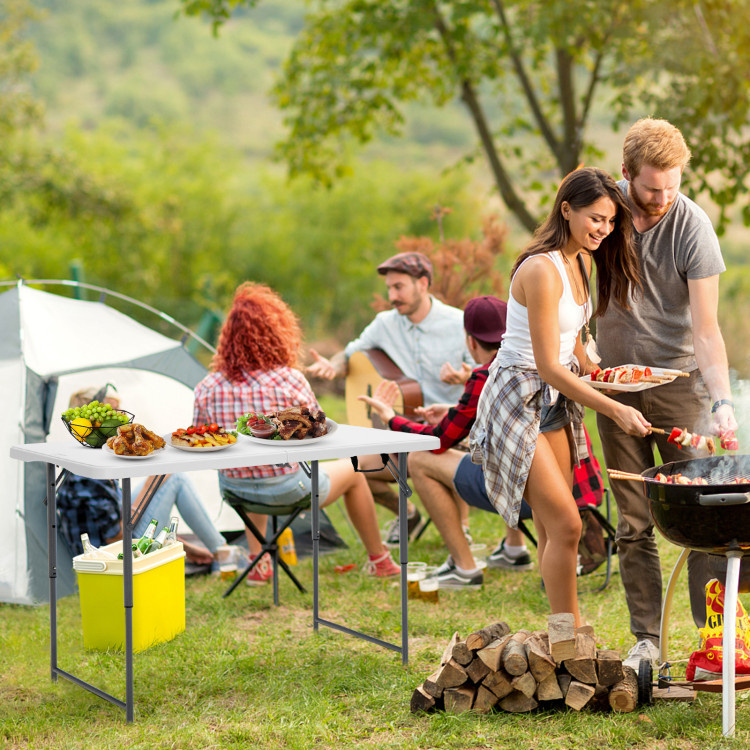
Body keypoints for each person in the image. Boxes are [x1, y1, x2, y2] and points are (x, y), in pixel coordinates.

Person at [469, 167, 649, 628]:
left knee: (556, 526)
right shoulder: (540, 270)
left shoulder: (582, 261)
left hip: (555, 400)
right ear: (566, 210)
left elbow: (572, 343)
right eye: (596, 219)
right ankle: (570, 634)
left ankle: (561, 631)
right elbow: (547, 364)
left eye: (610, 221)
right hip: (518, 399)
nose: (604, 230)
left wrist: (603, 375)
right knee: (569, 524)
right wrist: (614, 408)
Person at [594, 118, 738, 669]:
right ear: (626, 173)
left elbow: (707, 329)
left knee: (704, 516)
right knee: (633, 523)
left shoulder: (693, 226)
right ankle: (647, 642)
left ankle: (714, 638)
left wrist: (721, 401)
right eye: (652, 188)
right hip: (615, 389)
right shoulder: (602, 216)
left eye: (672, 186)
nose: (662, 199)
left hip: (681, 386)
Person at [193, 282, 400, 585]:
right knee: (354, 474)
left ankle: (259, 560)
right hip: (290, 490)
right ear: (277, 333)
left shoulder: (208, 386)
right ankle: (379, 560)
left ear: (228, 338)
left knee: (251, 466)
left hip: (235, 490)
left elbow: (203, 441)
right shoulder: (288, 380)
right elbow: (320, 432)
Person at [358, 295, 534, 590]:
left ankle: (464, 568)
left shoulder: (484, 375)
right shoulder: (532, 363)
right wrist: (453, 411)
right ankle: (514, 550)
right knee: (507, 445)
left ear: (471, 342)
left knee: (420, 459)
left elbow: (438, 440)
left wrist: (391, 419)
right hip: (557, 489)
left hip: (518, 494)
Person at [307, 251, 474, 544]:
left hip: (449, 432)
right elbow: (350, 354)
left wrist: (464, 376)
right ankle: (406, 513)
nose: (392, 296)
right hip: (401, 431)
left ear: (423, 284)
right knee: (352, 465)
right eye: (389, 288)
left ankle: (462, 531)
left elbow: (484, 373)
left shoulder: (458, 323)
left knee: (448, 455)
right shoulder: (384, 323)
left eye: (399, 287)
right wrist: (333, 366)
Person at [59, 387, 233, 568]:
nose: (121, 418)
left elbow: (119, 514)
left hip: (118, 537)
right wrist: (148, 488)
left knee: (166, 478)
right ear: (93, 422)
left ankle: (220, 551)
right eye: (113, 412)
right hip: (112, 556)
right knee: (173, 479)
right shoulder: (88, 476)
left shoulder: (92, 457)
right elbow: (116, 537)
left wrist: (185, 548)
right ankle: (223, 553)